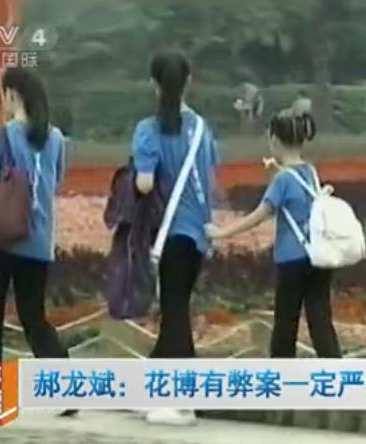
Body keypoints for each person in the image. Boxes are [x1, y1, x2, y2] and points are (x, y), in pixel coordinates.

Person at [0, 68, 76, 416]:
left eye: (3, 95)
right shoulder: (56, 138)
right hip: (38, 243)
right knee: (34, 317)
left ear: (12, 95)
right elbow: (53, 183)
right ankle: (67, 390)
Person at [208, 110, 342, 359]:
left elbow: (259, 215)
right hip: (318, 256)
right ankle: (336, 368)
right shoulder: (310, 172)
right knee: (320, 319)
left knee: (285, 325)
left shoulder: (282, 179)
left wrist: (221, 232)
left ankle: (282, 373)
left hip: (292, 260)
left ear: (275, 140)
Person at [132, 49, 219, 425]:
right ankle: (151, 391)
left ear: (153, 84)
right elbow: (209, 177)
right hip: (198, 232)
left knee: (175, 312)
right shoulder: (202, 129)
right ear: (189, 82)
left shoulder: (148, 130)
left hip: (168, 233)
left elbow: (144, 182)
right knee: (176, 310)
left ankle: (181, 400)